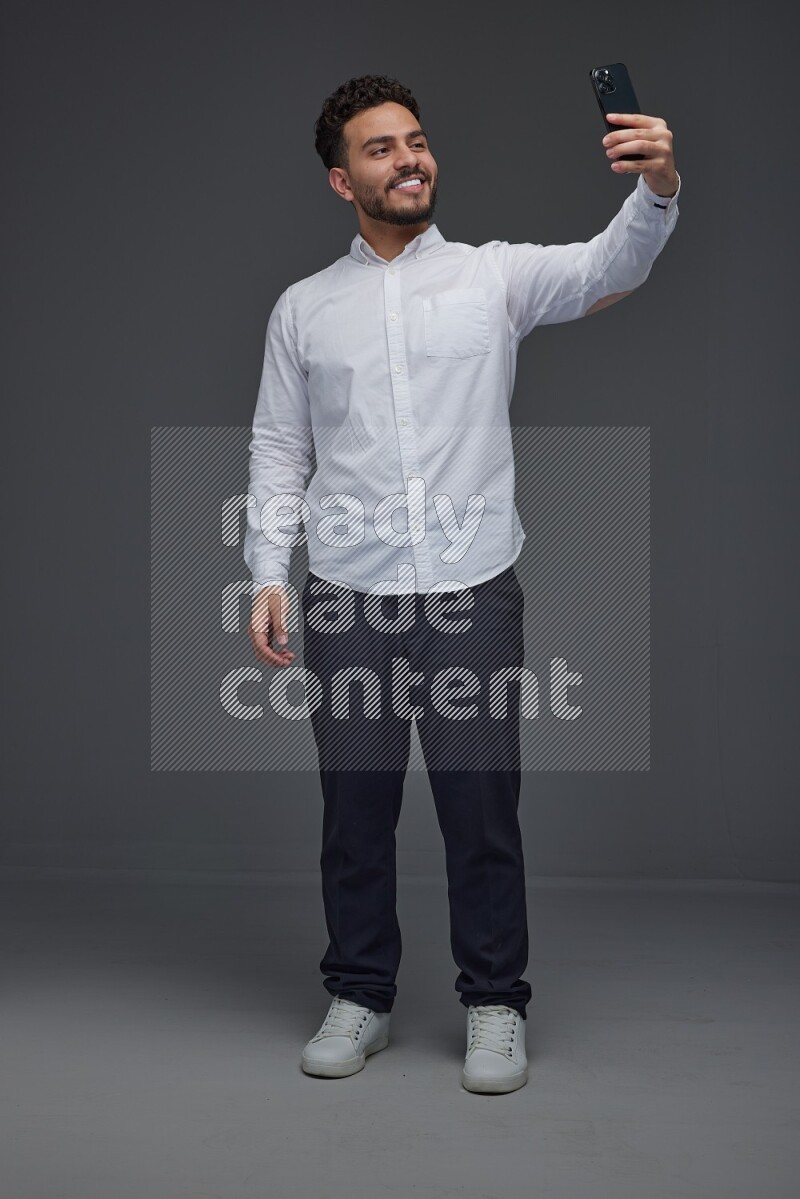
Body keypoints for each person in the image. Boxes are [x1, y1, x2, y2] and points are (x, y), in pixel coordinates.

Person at [245, 74, 680, 1094]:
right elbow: (277, 447)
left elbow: (606, 264)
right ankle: (359, 992)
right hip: (344, 592)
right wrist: (266, 572)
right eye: (380, 147)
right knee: (354, 808)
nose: (407, 159)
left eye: (416, 140)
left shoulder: (493, 278)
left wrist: (655, 185)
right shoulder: (303, 309)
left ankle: (494, 1002)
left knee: (479, 802)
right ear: (338, 177)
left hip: (469, 591)